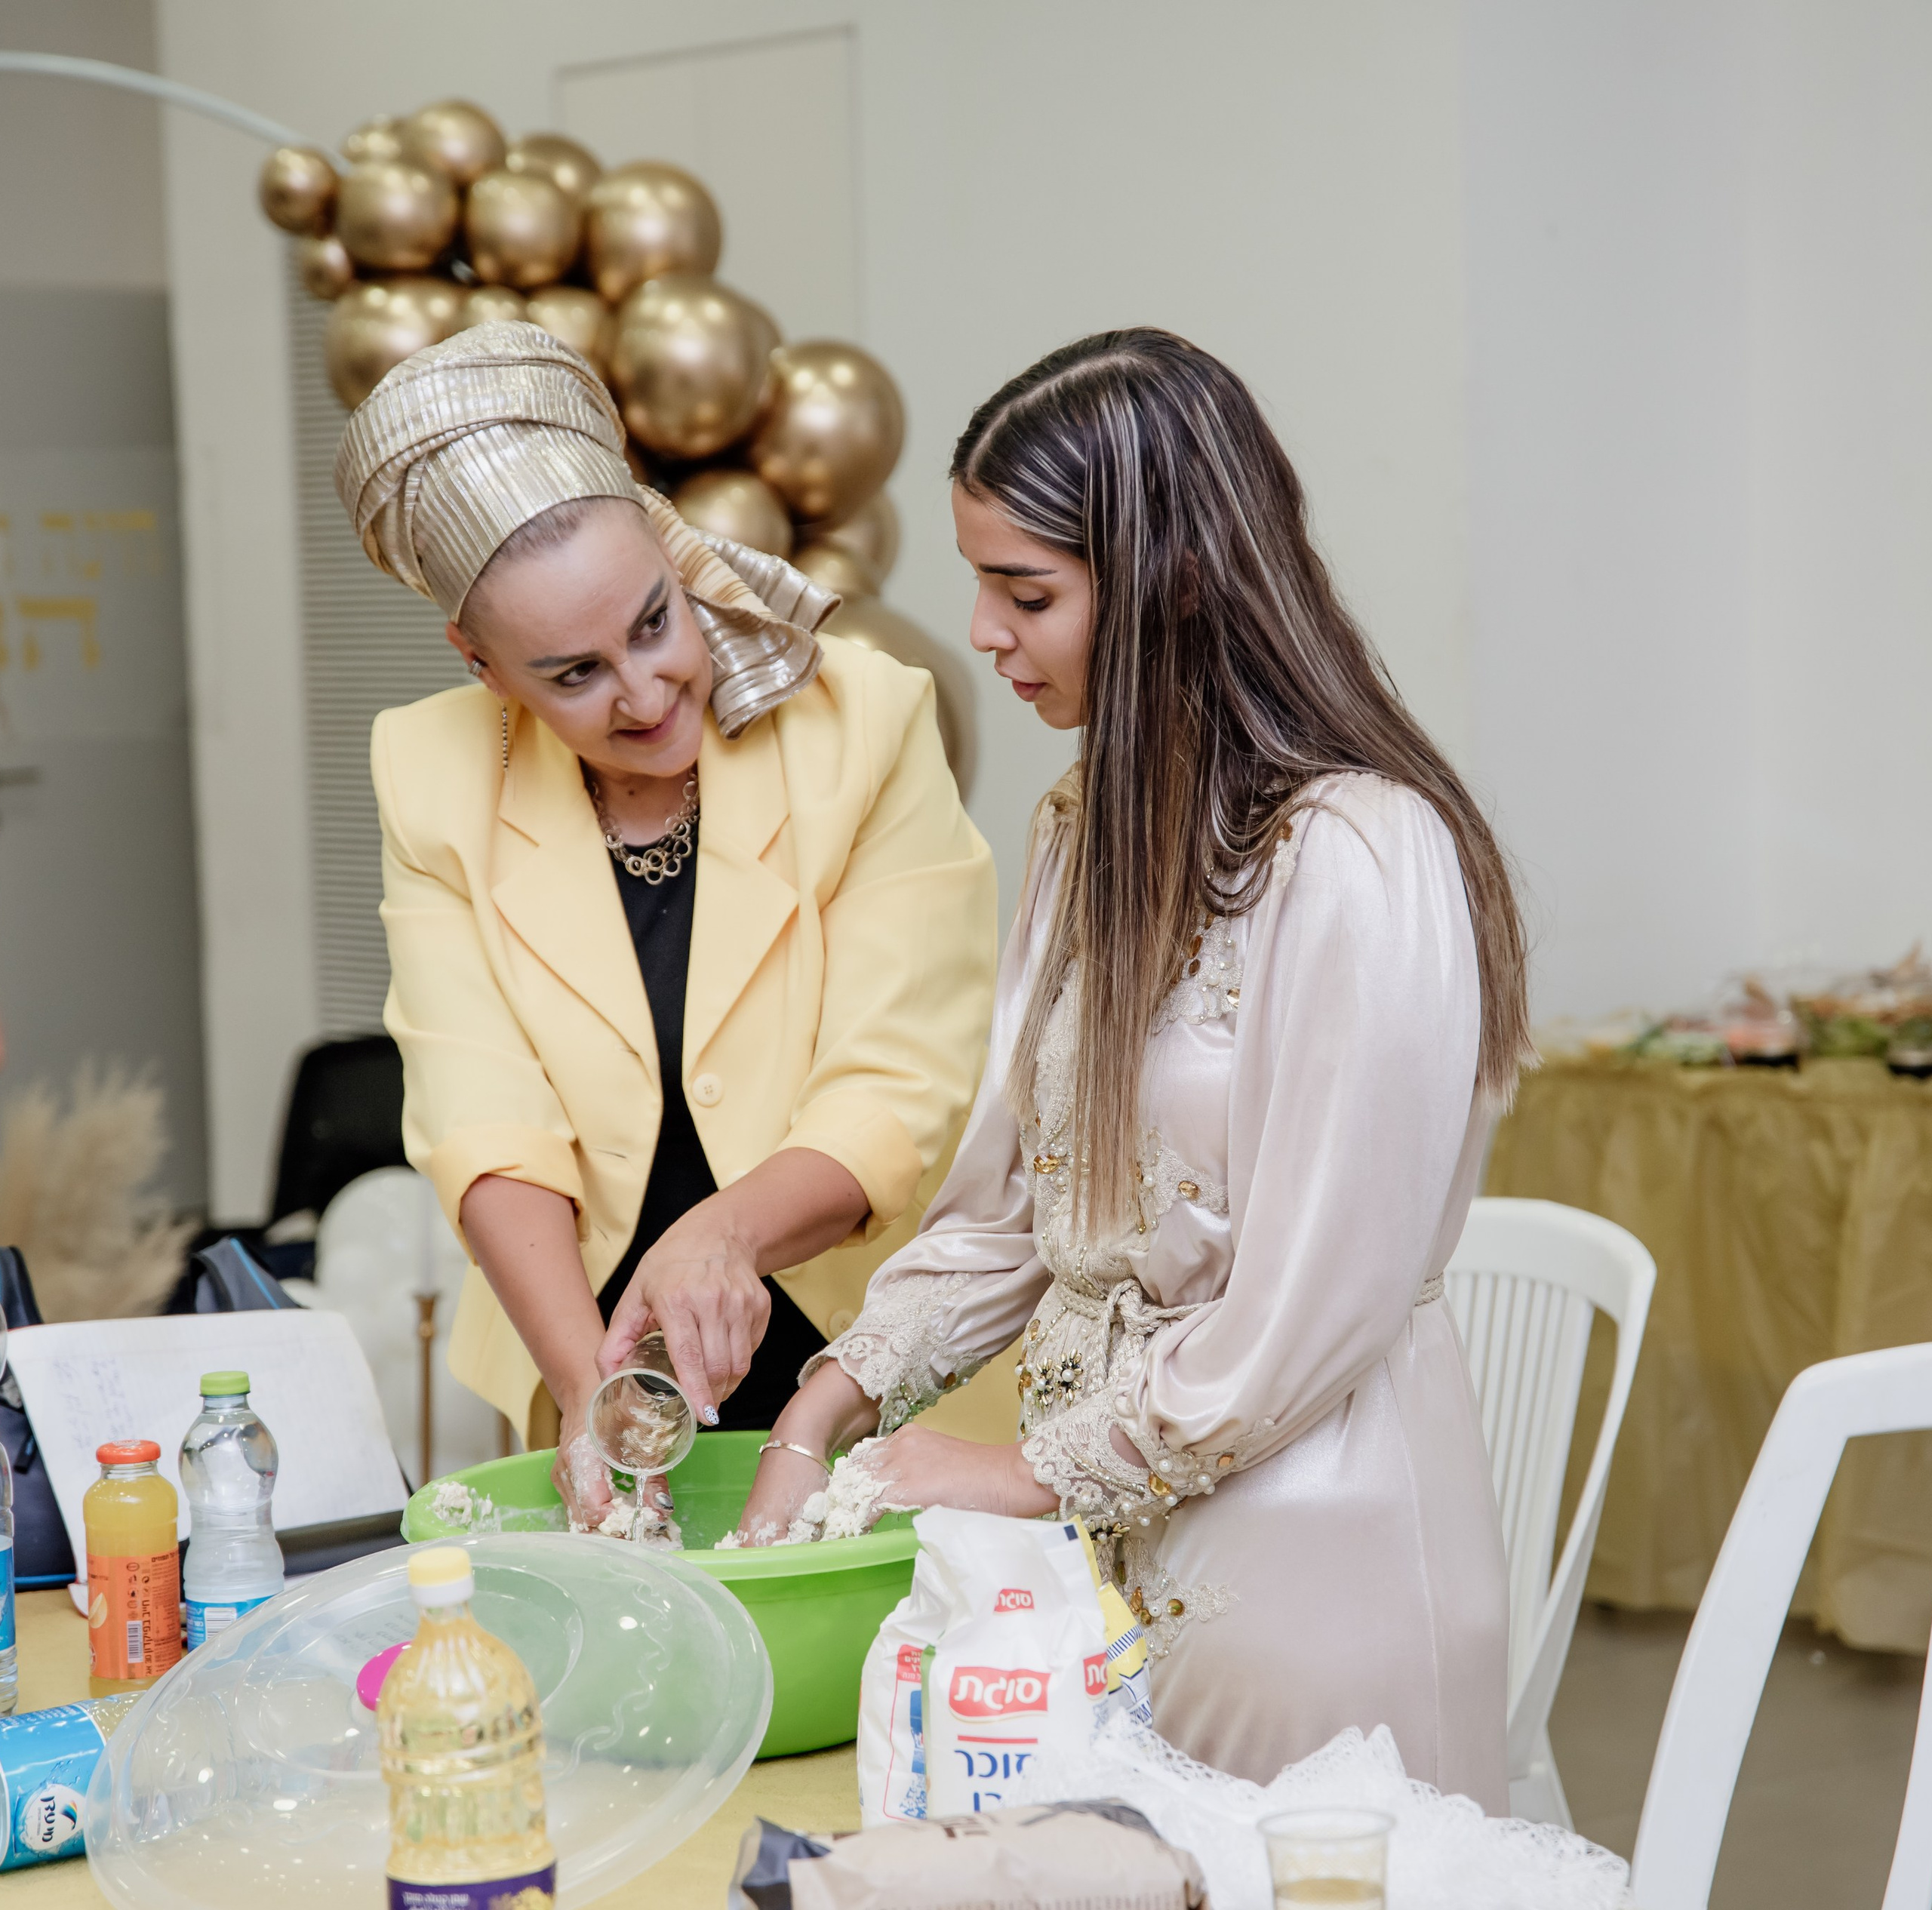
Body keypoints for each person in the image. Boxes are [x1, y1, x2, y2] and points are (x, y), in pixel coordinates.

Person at [742, 329, 1525, 1806]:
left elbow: (1306, 1312)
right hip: (1100, 1551)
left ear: (1170, 579)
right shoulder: (1077, 829)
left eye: (1023, 590)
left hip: (1312, 1556)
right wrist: (824, 1406)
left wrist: (1008, 1474)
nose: (978, 631)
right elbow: (1007, 1210)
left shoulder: (1361, 855)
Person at [337, 321, 997, 1524]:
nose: (644, 697)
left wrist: (720, 1234)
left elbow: (899, 1085)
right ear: (483, 666)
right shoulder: (428, 773)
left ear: (676, 561)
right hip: (587, 1345)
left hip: (876, 1354)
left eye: (653, 623)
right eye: (572, 674)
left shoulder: (867, 724)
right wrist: (592, 1398)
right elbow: (482, 1118)